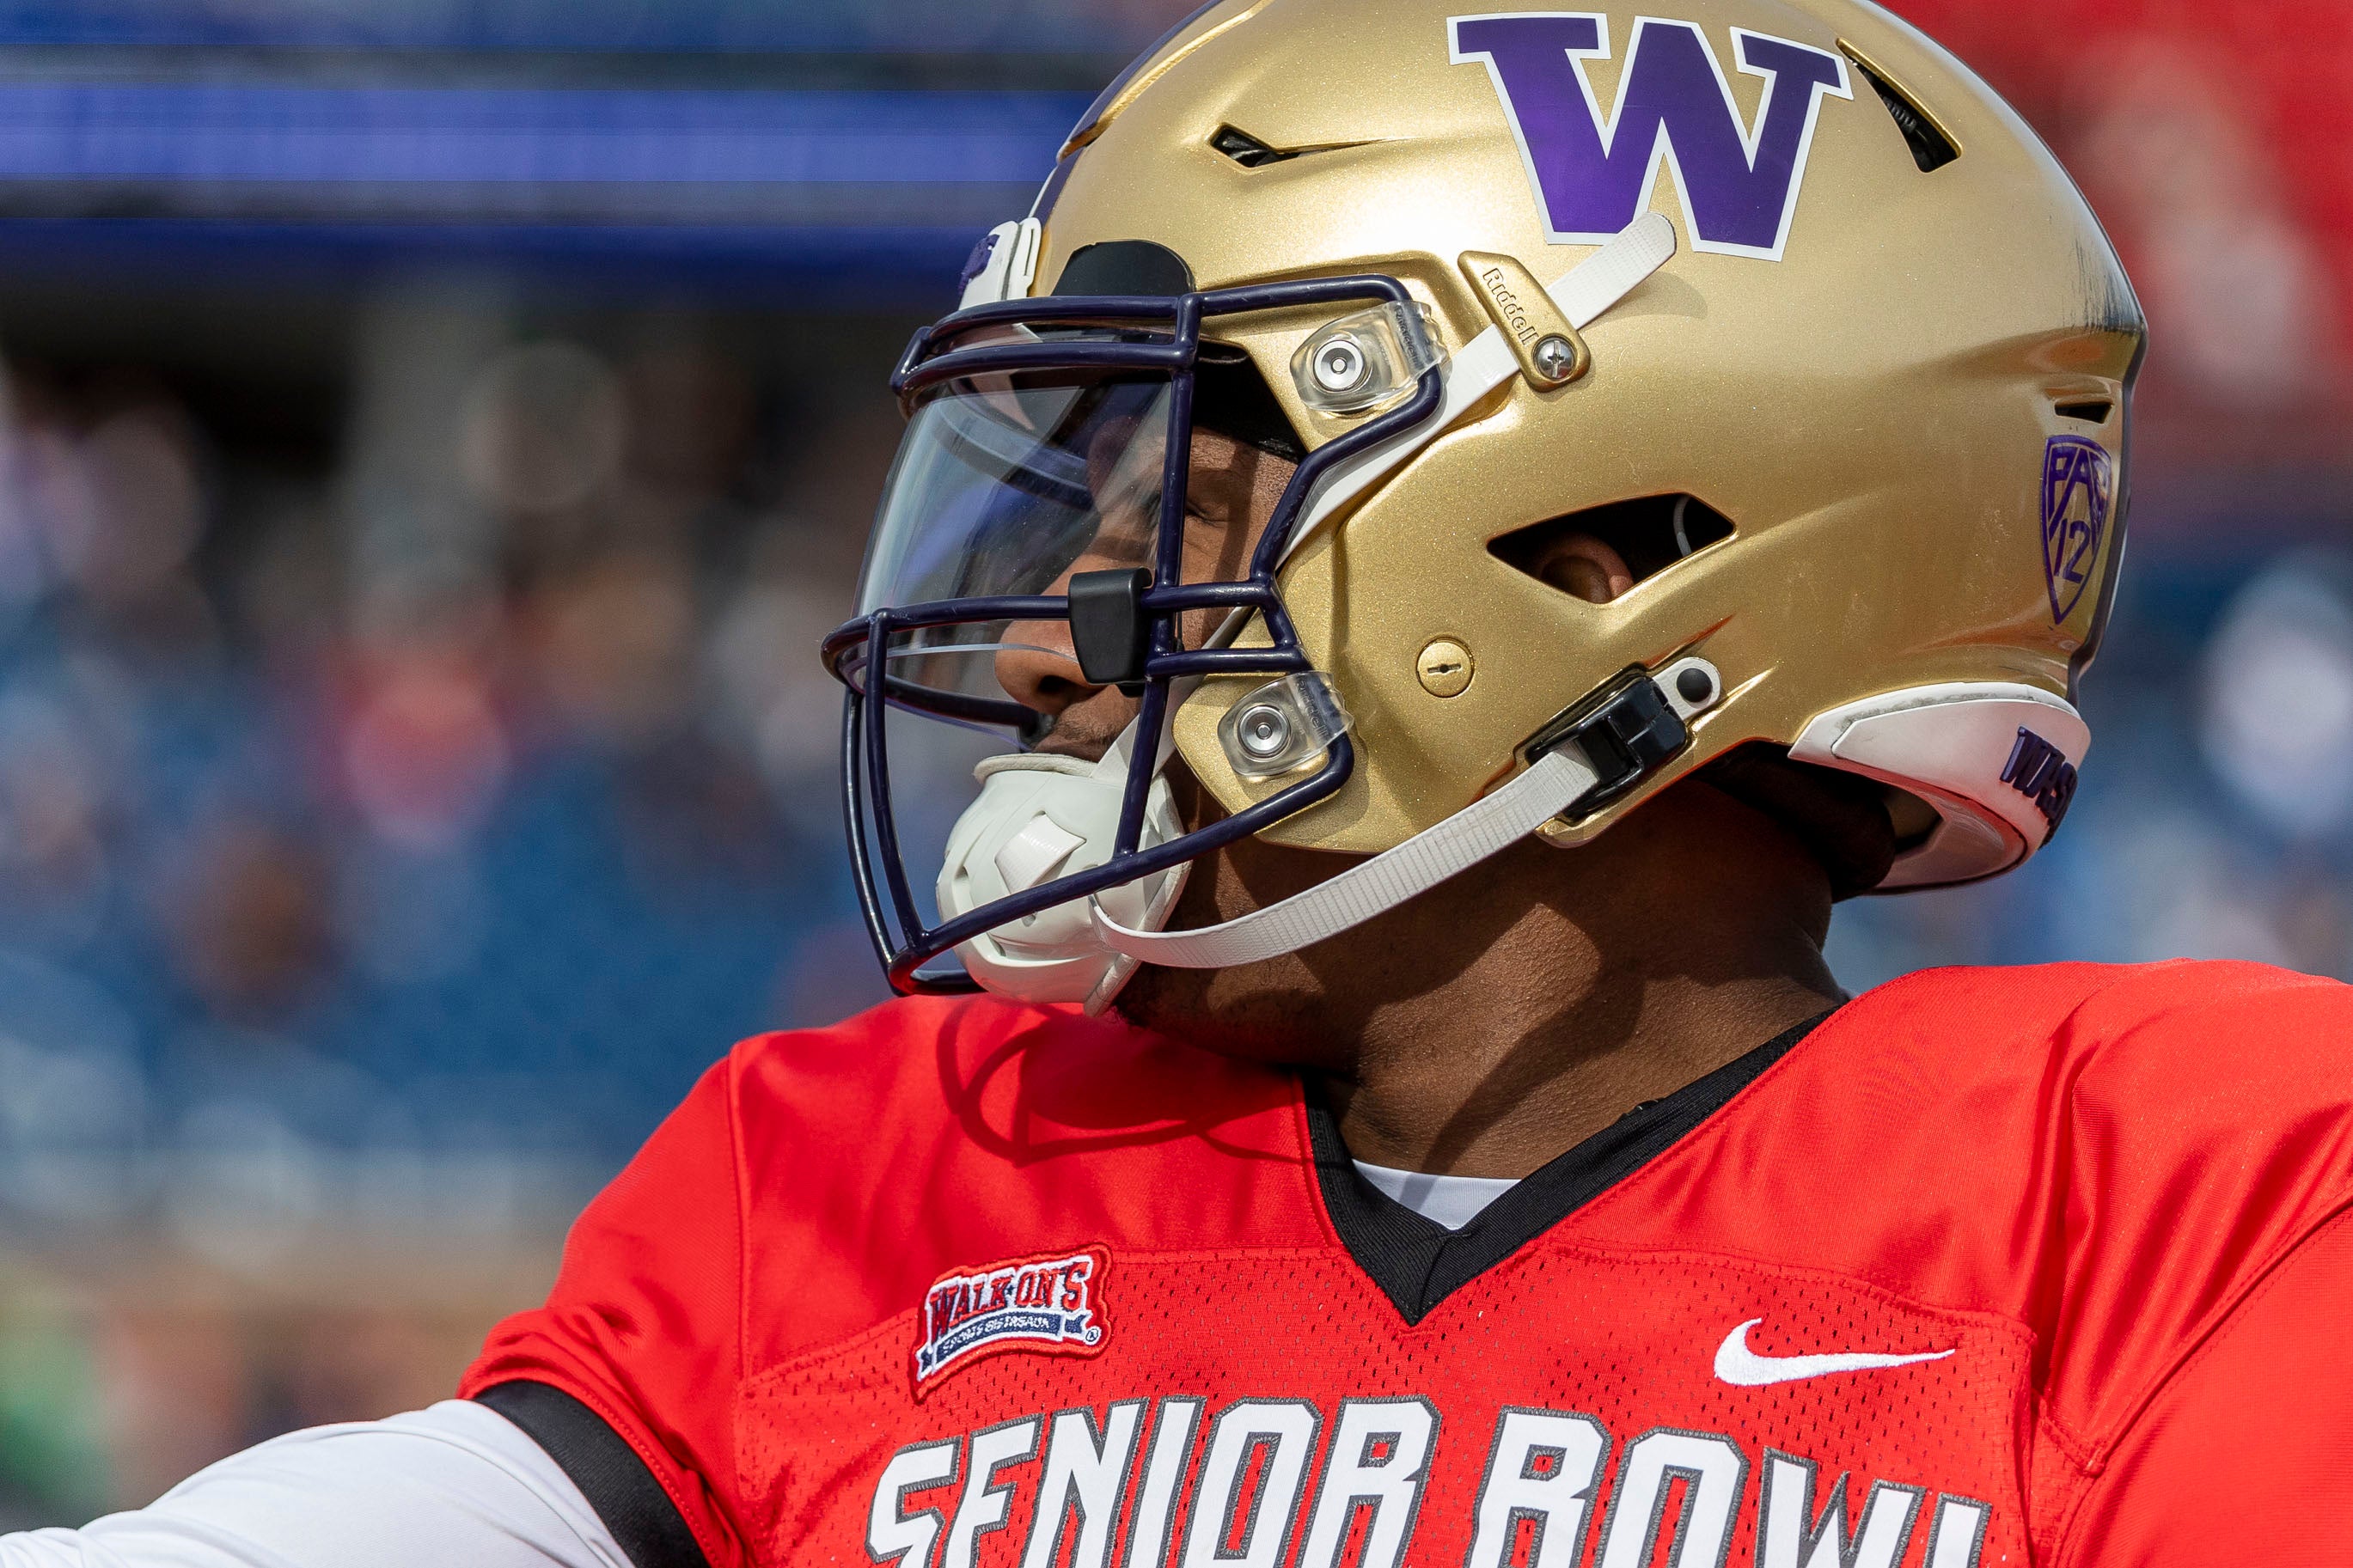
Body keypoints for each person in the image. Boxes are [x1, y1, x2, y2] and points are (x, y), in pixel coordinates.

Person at [9, 1, 2349, 1565]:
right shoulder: (879, 1172)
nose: (1043, 636)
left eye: (1174, 526)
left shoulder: (2175, 1204)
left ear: (1613, 547)